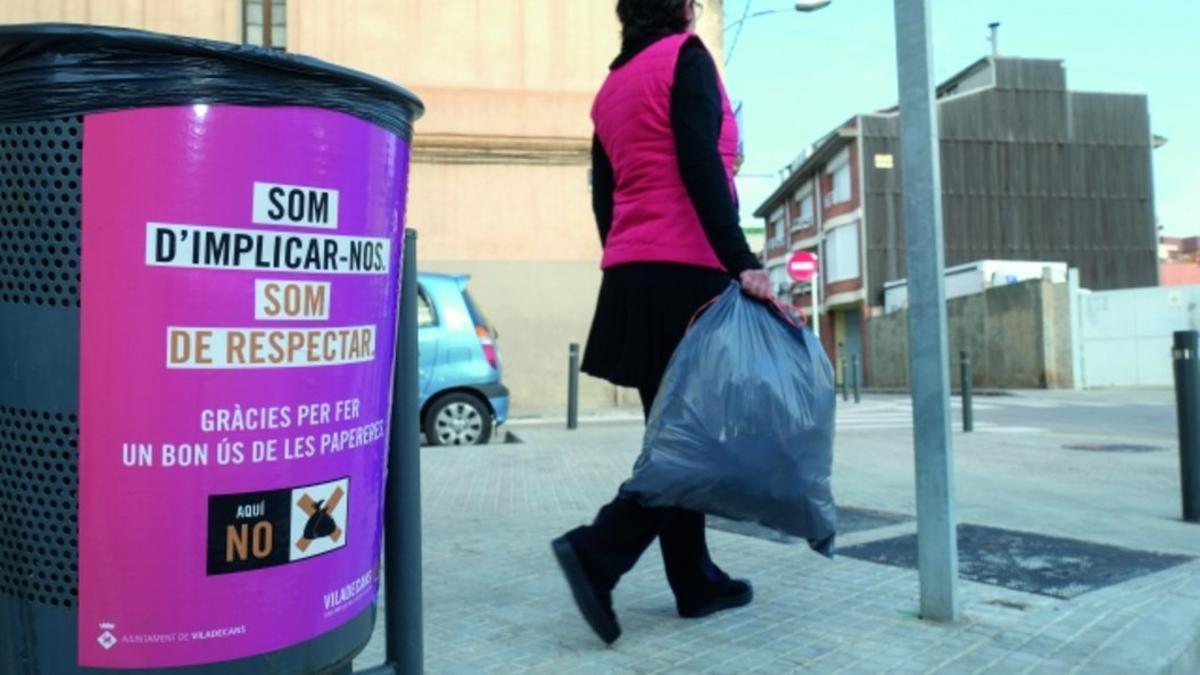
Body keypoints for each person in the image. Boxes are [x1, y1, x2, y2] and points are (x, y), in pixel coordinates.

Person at [551, 0, 773, 646]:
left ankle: (694, 579)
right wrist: (743, 261)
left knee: (673, 434)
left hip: (632, 278)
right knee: (695, 440)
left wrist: (624, 252)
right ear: (680, 8)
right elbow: (701, 162)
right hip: (688, 276)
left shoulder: (611, 87)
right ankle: (597, 551)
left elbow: (603, 190)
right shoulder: (687, 59)